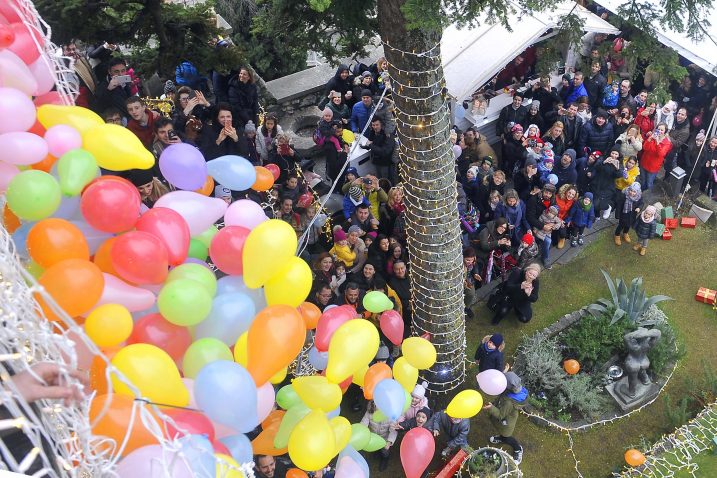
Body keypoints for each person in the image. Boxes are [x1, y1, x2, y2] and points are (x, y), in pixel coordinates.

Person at [486, 371, 528, 465]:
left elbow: (501, 415)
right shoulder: (515, 388)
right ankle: (501, 437)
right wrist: (504, 373)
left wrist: (491, 408)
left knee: (507, 436)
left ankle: (518, 449)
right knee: (502, 433)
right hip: (504, 418)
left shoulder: (509, 403)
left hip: (507, 422)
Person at [360, 400, 397, 471]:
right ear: (373, 404)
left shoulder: (390, 416)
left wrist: (389, 442)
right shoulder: (369, 413)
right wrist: (362, 430)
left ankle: (385, 459)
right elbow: (363, 423)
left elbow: (393, 430)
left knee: (384, 451)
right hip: (373, 436)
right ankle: (377, 451)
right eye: (377, 404)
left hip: (385, 439)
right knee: (375, 447)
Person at [640, 122, 672, 191]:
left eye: (662, 130)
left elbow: (661, 154)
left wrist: (657, 143)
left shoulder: (667, 143)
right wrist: (649, 139)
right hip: (644, 162)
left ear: (665, 132)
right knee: (643, 180)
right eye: (658, 129)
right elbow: (645, 148)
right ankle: (641, 192)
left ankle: (648, 196)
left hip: (653, 167)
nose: (659, 131)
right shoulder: (652, 137)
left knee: (649, 183)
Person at [462, 247, 482, 318]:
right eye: (467, 260)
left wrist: (475, 273)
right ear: (463, 257)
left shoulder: (473, 261)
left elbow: (475, 266)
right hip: (460, 282)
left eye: (471, 260)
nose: (469, 262)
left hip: (469, 281)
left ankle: (466, 307)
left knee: (471, 294)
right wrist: (463, 281)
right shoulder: (459, 264)